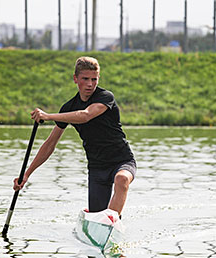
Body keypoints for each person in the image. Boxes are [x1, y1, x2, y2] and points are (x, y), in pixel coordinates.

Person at [13, 56, 136, 217]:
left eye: (94, 79)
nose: (90, 84)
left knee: (122, 180)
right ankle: (102, 218)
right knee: (96, 213)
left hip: (122, 161)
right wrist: (27, 174)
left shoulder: (106, 97)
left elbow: (85, 115)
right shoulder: (69, 107)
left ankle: (111, 221)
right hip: (97, 168)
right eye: (85, 79)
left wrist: (49, 116)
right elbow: (50, 144)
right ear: (75, 79)